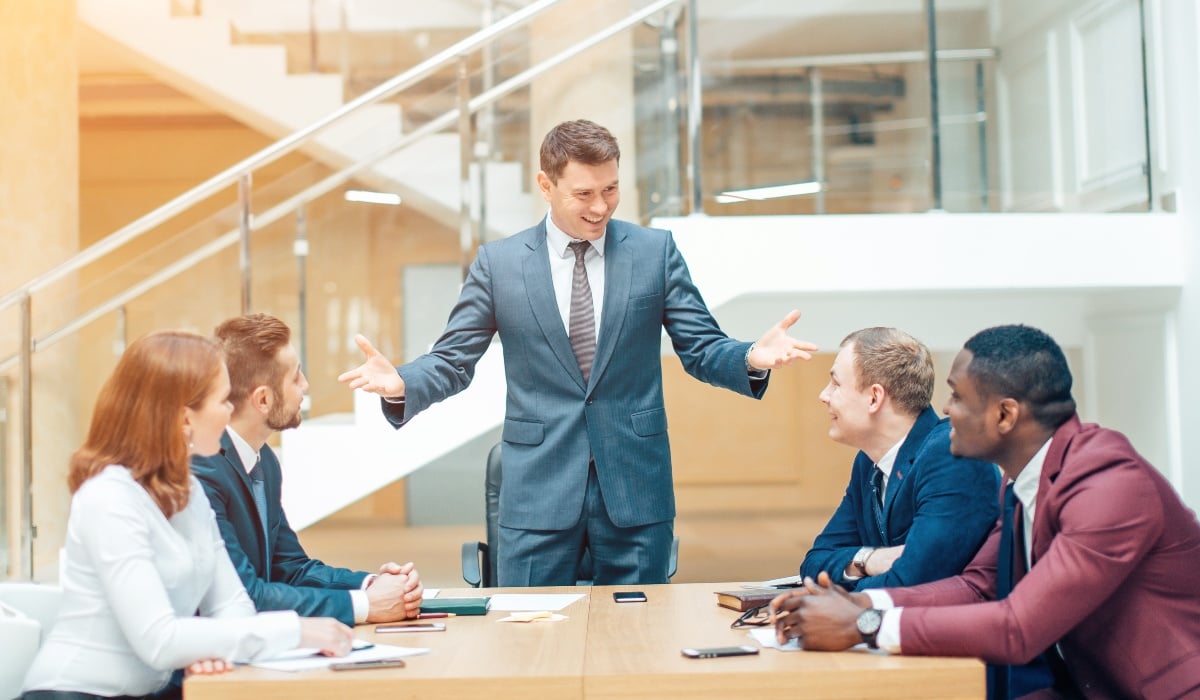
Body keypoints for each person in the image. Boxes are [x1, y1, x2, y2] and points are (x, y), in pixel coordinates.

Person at [339, 119, 818, 587]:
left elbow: (700, 347)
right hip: (537, 491)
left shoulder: (655, 252)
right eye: (584, 194)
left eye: (610, 189)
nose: (600, 207)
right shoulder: (499, 264)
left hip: (635, 487)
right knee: (529, 639)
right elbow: (452, 360)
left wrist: (751, 357)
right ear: (545, 185)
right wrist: (403, 383)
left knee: (639, 636)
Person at [772, 325, 1200, 699]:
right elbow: (978, 586)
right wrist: (858, 600)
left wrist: (864, 622)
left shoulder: (1108, 485)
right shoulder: (1025, 483)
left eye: (958, 396)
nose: (944, 410)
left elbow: (1019, 627)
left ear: (1005, 414)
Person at [22, 331, 352, 700]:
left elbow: (232, 606)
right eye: (224, 400)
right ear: (183, 419)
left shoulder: (189, 492)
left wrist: (212, 645)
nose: (231, 411)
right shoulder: (109, 498)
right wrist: (297, 631)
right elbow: (160, 641)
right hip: (75, 693)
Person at [192, 313, 423, 627]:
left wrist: (372, 585)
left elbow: (291, 567)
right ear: (263, 399)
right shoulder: (203, 471)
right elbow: (245, 596)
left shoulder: (265, 462)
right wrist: (365, 605)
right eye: (295, 377)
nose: (305, 386)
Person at [799, 327, 999, 590]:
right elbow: (814, 564)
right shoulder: (867, 462)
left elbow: (912, 583)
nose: (823, 396)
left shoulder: (951, 454)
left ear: (874, 398)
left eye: (836, 384)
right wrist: (869, 559)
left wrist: (838, 596)